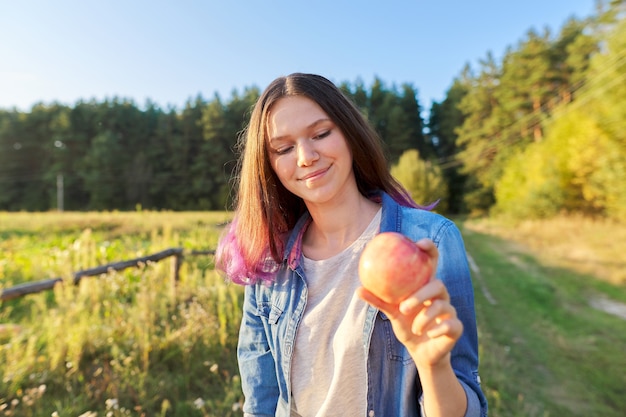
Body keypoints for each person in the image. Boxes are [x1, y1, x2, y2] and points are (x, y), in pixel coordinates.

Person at [216, 73, 488, 417]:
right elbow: (261, 404)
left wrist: (433, 367)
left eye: (321, 134)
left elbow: (468, 407)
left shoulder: (430, 241)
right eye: (283, 148)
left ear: (349, 133)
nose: (305, 156)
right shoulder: (269, 264)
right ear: (268, 164)